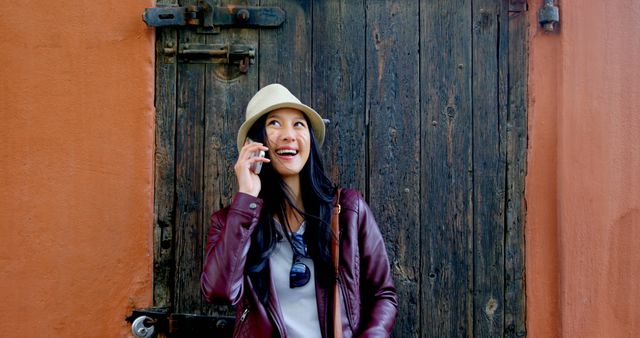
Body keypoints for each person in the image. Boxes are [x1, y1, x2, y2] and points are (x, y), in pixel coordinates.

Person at [201, 84, 398, 338]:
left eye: (298, 124)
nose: (288, 135)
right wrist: (246, 198)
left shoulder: (348, 210)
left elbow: (384, 295)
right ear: (255, 144)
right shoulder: (232, 220)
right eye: (274, 124)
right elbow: (219, 292)